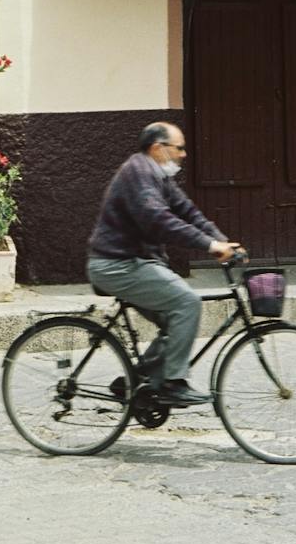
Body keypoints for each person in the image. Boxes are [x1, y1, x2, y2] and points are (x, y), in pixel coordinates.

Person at [86, 121, 239, 408]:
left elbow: (187, 211)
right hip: (116, 264)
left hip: (132, 262)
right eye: (179, 148)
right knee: (187, 303)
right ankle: (172, 383)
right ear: (158, 148)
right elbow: (159, 220)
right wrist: (209, 245)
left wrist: (222, 242)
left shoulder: (158, 176)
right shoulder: (139, 173)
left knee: (175, 319)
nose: (184, 154)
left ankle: (137, 380)